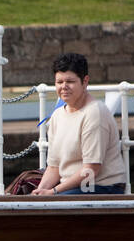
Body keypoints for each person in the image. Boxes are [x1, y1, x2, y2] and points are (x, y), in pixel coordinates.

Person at [32, 53, 128, 195]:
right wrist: (40, 191)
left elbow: (91, 169)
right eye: (59, 82)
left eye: (70, 81)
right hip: (71, 188)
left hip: (102, 187)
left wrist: (53, 192)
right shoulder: (57, 116)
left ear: (85, 81)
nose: (64, 87)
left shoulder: (95, 113)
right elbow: (53, 167)